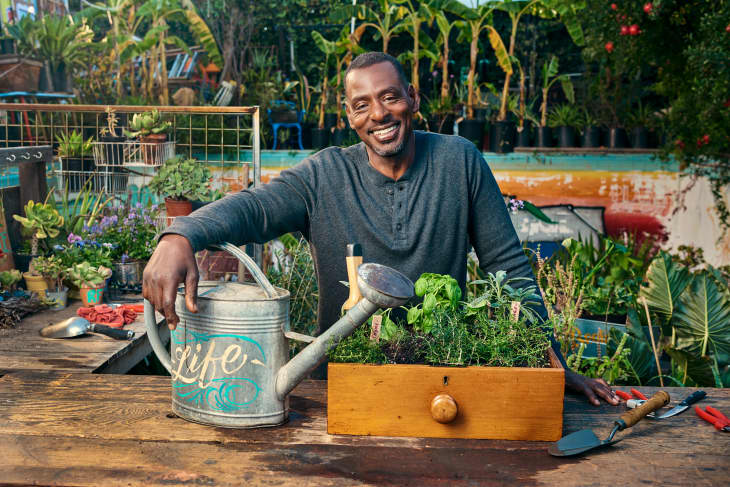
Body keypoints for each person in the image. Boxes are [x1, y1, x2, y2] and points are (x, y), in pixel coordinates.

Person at [143, 52, 618, 406]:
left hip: (442, 377)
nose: (379, 114)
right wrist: (179, 236)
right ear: (349, 116)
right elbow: (255, 209)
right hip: (344, 386)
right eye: (362, 104)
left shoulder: (460, 162)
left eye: (390, 96)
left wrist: (551, 360)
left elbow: (508, 267)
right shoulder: (323, 176)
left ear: (412, 98)